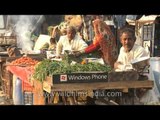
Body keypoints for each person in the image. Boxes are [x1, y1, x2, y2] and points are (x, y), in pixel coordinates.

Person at [114, 27, 159, 104]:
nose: (127, 42)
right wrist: (118, 66)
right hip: (131, 85)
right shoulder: (122, 49)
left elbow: (134, 71)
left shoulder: (140, 51)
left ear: (134, 40)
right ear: (121, 41)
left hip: (144, 88)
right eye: (124, 39)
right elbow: (117, 68)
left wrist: (119, 66)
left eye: (129, 39)